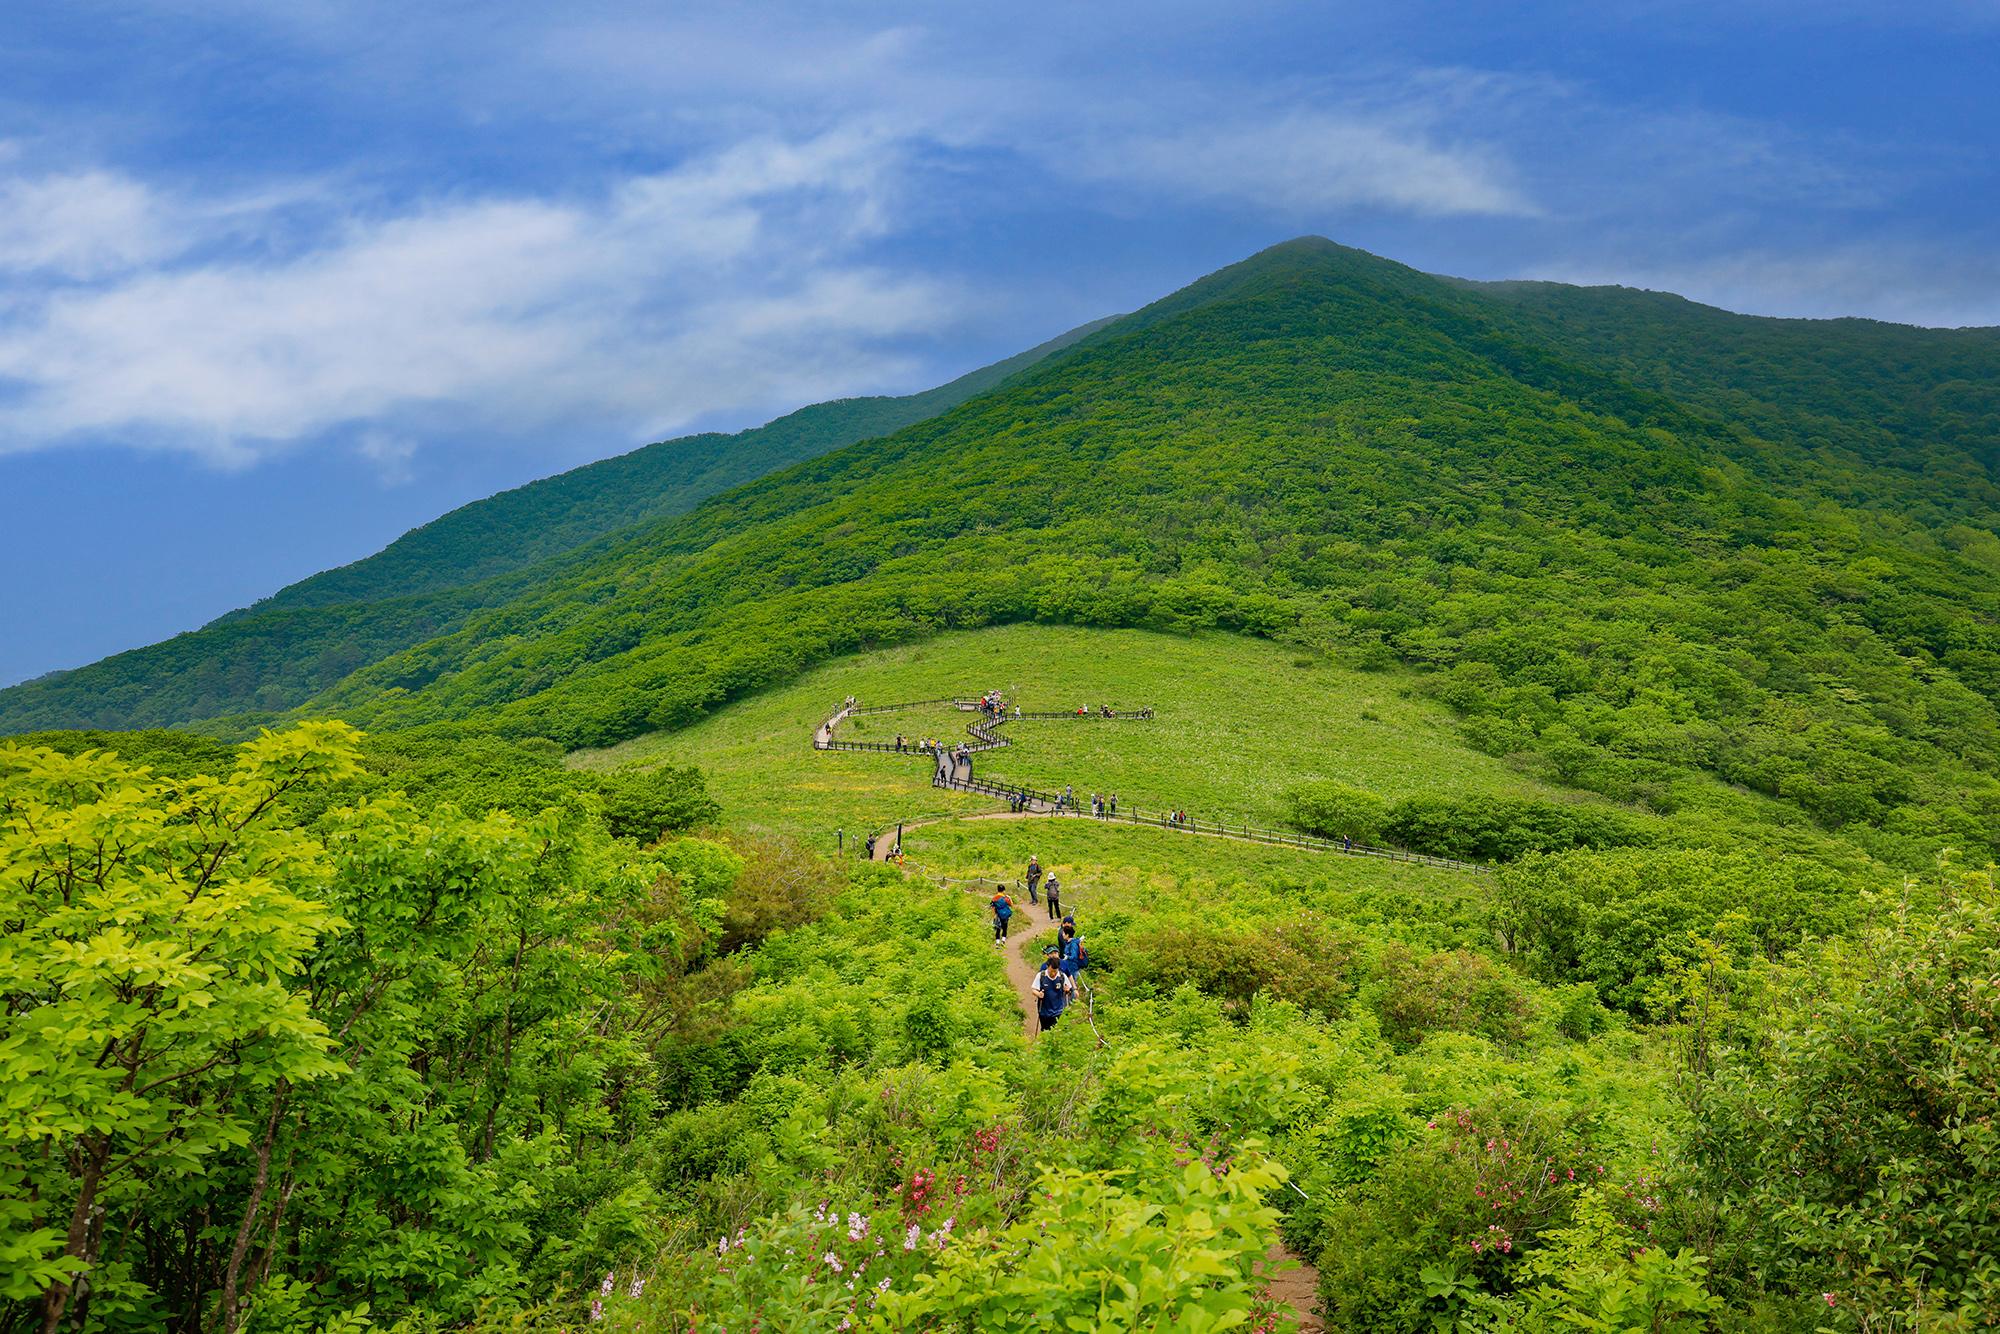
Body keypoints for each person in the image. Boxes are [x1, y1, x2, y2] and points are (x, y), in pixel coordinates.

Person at [1031, 954, 1076, 1033]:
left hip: (1058, 1009)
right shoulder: (1041, 976)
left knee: (1056, 1030)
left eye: (1055, 971)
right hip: (1044, 1010)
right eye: (1051, 971)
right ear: (1047, 967)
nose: (1053, 974)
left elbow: (1069, 990)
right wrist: (1038, 994)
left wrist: (1068, 990)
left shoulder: (1062, 976)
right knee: (1045, 1030)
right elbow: (1033, 989)